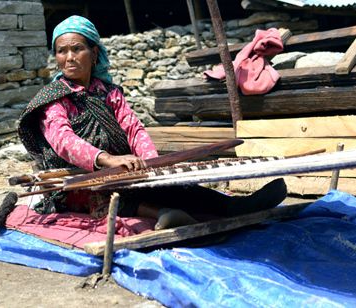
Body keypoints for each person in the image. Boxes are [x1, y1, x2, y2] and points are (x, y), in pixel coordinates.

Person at [18, 15, 287, 230]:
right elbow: (64, 141)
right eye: (61, 51)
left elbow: (133, 127)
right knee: (108, 193)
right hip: (78, 181)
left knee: (170, 186)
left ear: (94, 53)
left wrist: (151, 165)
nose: (69, 57)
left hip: (120, 171)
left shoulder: (108, 92)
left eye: (77, 49)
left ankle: (236, 207)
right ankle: (165, 214)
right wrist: (107, 160)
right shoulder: (53, 99)